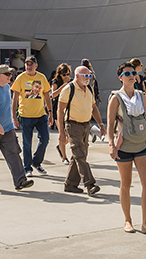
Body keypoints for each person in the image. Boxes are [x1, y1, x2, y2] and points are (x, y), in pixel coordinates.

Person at [107, 60, 146, 235]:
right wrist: (111, 145)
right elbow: (110, 124)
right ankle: (127, 220)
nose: (131, 76)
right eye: (127, 74)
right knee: (126, 184)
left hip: (141, 145)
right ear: (120, 78)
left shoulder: (141, 96)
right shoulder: (116, 98)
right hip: (123, 146)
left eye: (133, 73)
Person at [0, 64, 35, 192]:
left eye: (10, 74)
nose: (10, 76)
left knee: (14, 154)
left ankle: (20, 181)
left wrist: (13, 120)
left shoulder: (7, 87)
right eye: (7, 74)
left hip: (8, 128)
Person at [58, 65, 103, 195]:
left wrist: (101, 124)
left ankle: (70, 184)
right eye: (85, 76)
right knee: (80, 154)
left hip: (86, 125)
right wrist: (61, 132)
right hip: (73, 126)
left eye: (89, 76)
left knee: (78, 155)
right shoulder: (68, 89)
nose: (88, 78)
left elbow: (94, 108)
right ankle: (90, 184)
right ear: (77, 76)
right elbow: (60, 110)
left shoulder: (89, 89)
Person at [11, 55, 52, 177]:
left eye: (31, 64)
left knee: (45, 139)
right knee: (27, 143)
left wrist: (50, 113)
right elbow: (15, 98)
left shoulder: (41, 77)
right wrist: (14, 117)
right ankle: (27, 167)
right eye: (27, 64)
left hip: (41, 115)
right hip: (26, 115)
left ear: (36, 66)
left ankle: (36, 162)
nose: (29, 66)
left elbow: (47, 96)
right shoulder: (21, 78)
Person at [50, 63, 73, 163]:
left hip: (69, 110)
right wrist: (63, 86)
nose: (66, 76)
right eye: (64, 75)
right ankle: (64, 157)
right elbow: (53, 95)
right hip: (58, 110)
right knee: (62, 133)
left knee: (70, 135)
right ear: (59, 74)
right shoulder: (56, 82)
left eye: (67, 74)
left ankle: (60, 147)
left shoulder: (71, 82)